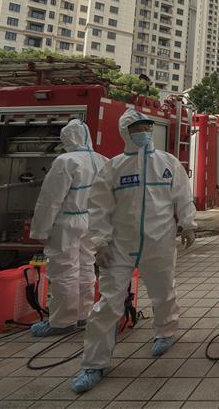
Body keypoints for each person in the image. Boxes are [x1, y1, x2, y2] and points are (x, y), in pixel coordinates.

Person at [71, 109, 196, 393]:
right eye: (137, 128)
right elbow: (98, 207)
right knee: (107, 304)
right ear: (125, 133)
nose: (144, 132)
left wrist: (188, 224)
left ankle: (165, 332)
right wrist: (99, 242)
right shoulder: (113, 168)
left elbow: (183, 196)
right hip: (120, 246)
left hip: (159, 241)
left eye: (146, 127)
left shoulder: (167, 163)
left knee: (163, 291)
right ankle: (94, 364)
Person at [29, 119, 109, 337]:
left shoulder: (66, 161)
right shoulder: (102, 160)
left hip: (68, 223)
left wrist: (41, 230)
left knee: (64, 270)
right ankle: (83, 314)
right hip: (91, 221)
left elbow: (50, 200)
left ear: (67, 138)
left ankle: (62, 321)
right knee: (86, 267)